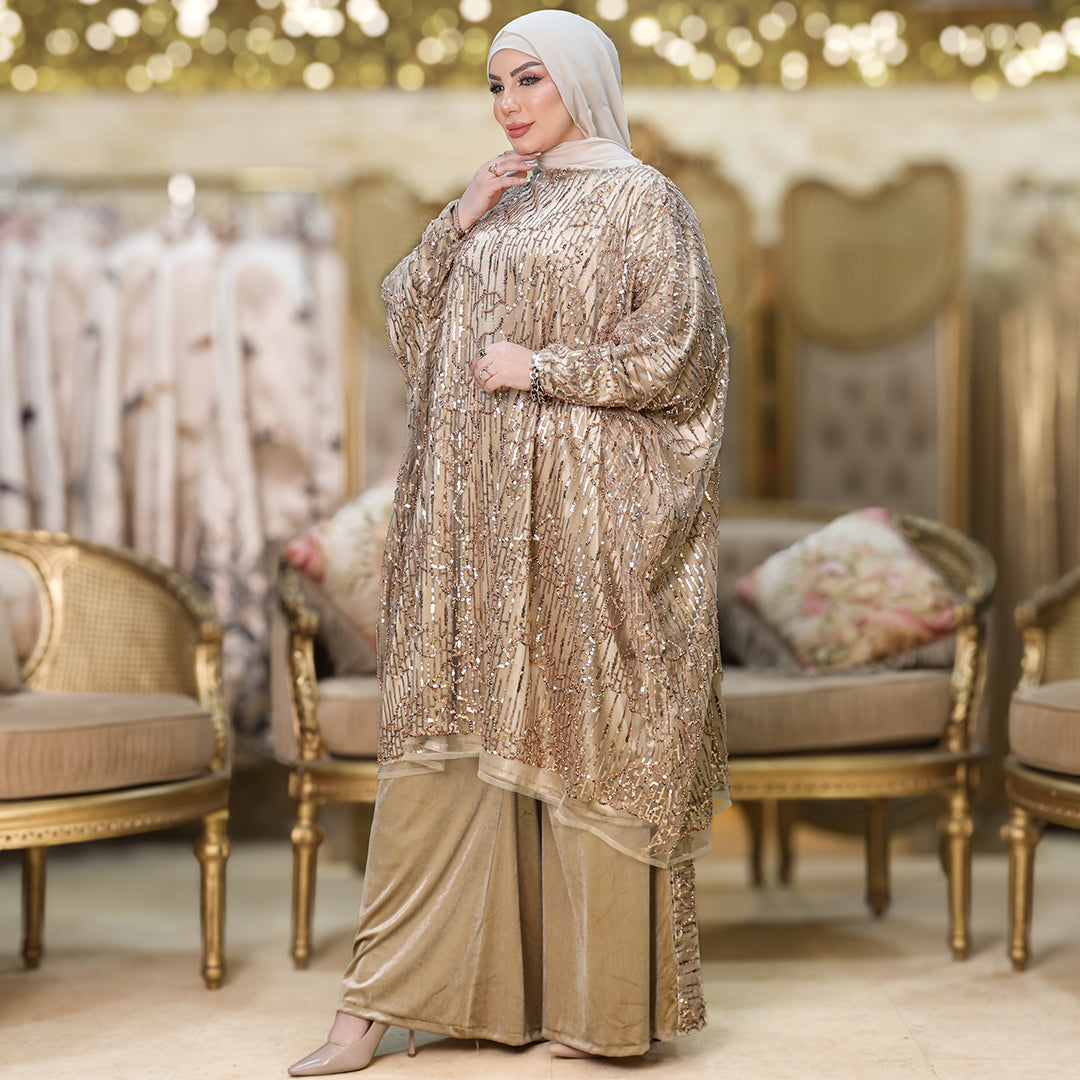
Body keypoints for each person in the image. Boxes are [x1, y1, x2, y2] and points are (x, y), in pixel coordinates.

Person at [288, 9, 729, 1075]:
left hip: (586, 520)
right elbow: (413, 326)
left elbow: (681, 353)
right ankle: (376, 1006)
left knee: (585, 736)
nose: (510, 104)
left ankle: (594, 1007)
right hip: (470, 523)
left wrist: (542, 369)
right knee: (445, 745)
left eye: (530, 79)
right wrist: (460, 216)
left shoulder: (644, 199)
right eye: (496, 85)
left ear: (582, 80)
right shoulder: (502, 198)